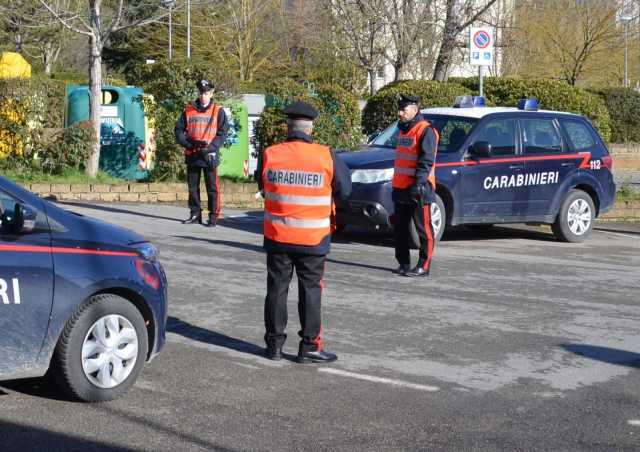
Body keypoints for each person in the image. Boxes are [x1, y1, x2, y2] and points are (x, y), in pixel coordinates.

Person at [258, 101, 351, 363]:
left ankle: (274, 346)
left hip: (278, 236)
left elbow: (263, 186)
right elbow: (346, 191)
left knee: (277, 290)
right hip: (313, 238)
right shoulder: (326, 155)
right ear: (311, 128)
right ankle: (309, 347)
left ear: (288, 127)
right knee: (310, 291)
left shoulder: (271, 153)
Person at [392, 94, 439, 277]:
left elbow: (426, 161)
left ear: (414, 109)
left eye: (403, 110)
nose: (400, 113)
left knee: (423, 229)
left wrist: (418, 184)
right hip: (401, 188)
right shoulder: (404, 130)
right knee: (400, 230)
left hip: (419, 189)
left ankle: (424, 265)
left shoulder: (426, 130)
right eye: (400, 109)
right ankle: (403, 263)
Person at [174, 79, 229, 227]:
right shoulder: (188, 109)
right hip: (192, 152)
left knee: (212, 187)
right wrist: (187, 143)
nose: (203, 95)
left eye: (206, 93)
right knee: (192, 187)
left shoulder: (218, 111)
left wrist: (211, 148)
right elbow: (178, 130)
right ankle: (195, 214)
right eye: (201, 92)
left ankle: (213, 216)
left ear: (211, 93)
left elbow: (222, 133)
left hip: (209, 154)